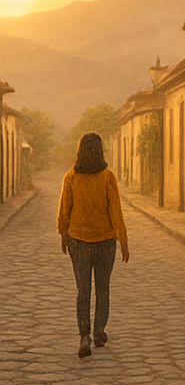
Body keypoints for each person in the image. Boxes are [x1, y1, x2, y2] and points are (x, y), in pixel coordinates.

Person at [57, 132, 129, 358]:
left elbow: (64, 210)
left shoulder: (70, 177)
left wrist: (63, 234)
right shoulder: (108, 177)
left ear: (79, 151)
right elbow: (115, 211)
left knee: (83, 290)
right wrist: (123, 240)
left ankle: (84, 336)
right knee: (102, 288)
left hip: (78, 241)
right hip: (105, 242)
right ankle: (99, 332)